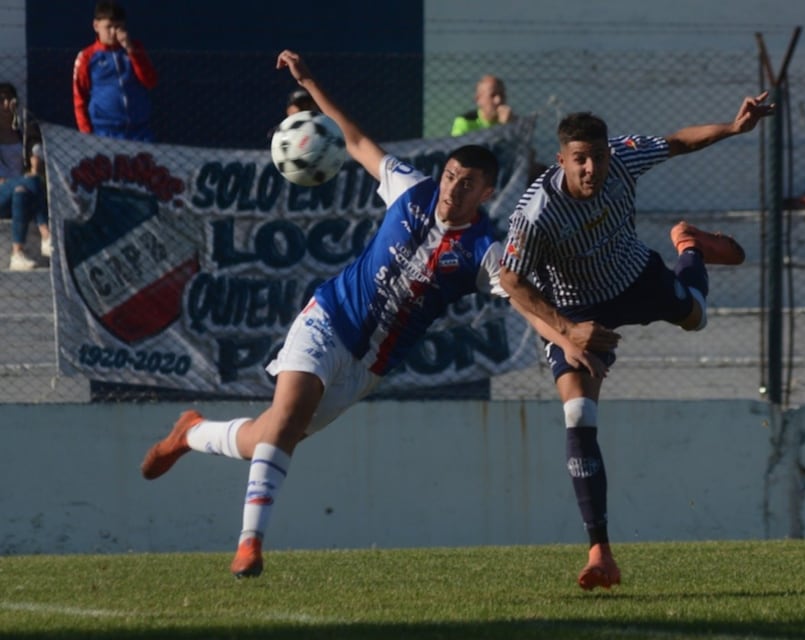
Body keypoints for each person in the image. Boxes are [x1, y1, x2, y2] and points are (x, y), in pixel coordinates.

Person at [141, 49, 513, 579]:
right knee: (288, 417)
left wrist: (567, 331)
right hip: (329, 316)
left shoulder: (481, 248)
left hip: (369, 365)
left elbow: (519, 292)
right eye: (451, 174)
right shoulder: (413, 190)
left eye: (467, 182)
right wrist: (311, 81)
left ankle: (192, 433)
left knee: (272, 434)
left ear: (486, 193)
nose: (453, 186)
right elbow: (357, 141)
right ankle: (249, 546)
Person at [498, 94, 774, 591]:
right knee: (579, 414)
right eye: (580, 159)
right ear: (561, 160)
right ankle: (600, 552)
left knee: (698, 318)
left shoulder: (622, 159)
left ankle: (688, 243)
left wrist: (734, 127)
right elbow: (512, 281)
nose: (592, 168)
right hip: (578, 312)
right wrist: (566, 329)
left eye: (597, 157)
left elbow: (676, 142)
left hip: (633, 276)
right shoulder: (536, 214)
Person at [73, 1, 157, 142]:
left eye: (118, 27)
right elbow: (79, 98)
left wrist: (131, 51)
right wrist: (86, 134)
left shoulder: (135, 49)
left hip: (139, 131)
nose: (113, 33)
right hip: (104, 132)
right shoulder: (87, 56)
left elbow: (150, 81)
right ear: (96, 26)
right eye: (108, 27)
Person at [0, 83, 50, 271]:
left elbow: (35, 154)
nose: (6, 104)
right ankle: (46, 234)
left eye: (9, 99)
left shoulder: (24, 134)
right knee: (29, 182)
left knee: (23, 189)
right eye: (1, 100)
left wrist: (35, 164)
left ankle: (17, 254)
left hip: (20, 194)